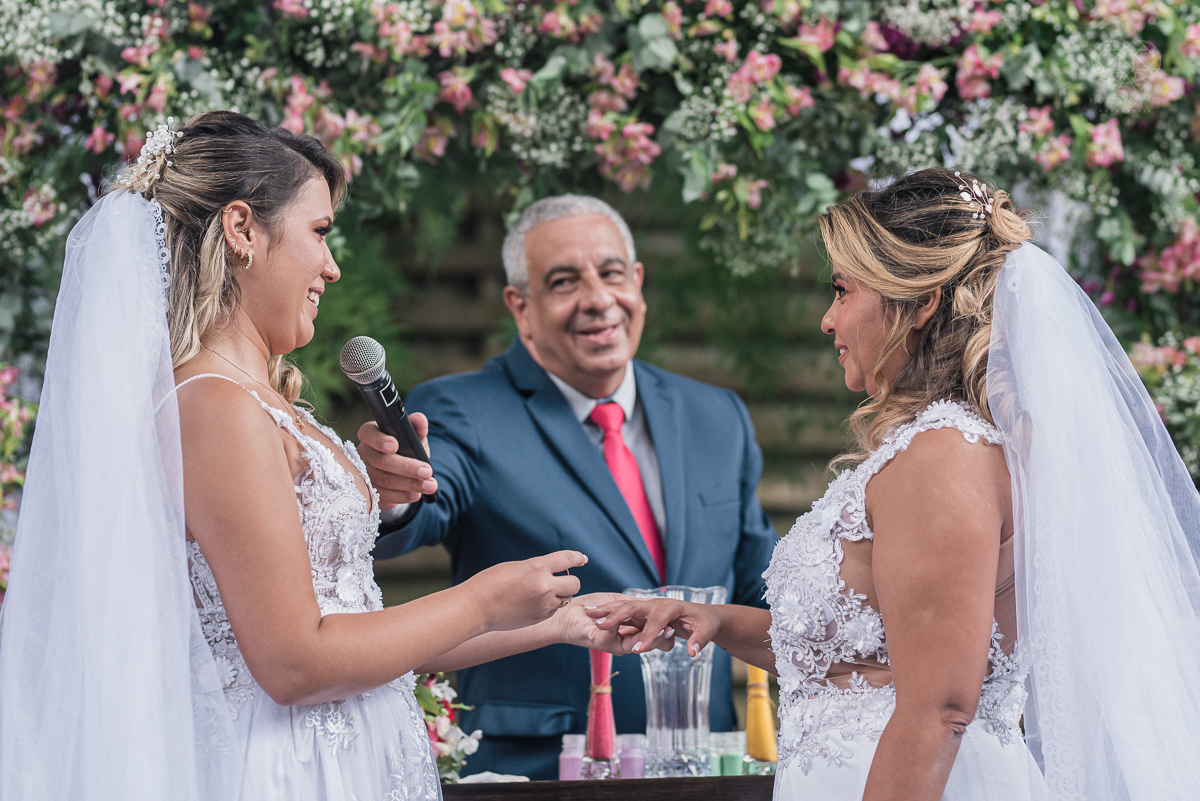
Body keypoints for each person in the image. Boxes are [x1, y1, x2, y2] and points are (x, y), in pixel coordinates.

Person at [0, 112, 627, 800]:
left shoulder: (260, 401)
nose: (331, 265)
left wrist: (548, 622)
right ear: (242, 230)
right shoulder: (214, 404)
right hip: (286, 771)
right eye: (320, 232)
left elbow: (358, 634)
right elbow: (294, 661)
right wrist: (481, 598)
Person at [587, 168, 1200, 800]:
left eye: (843, 291)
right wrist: (710, 618)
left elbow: (939, 710)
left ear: (919, 302)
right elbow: (864, 656)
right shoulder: (946, 448)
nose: (828, 320)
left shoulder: (942, 458)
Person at [357, 194, 778, 779]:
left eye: (610, 274)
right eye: (563, 282)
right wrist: (396, 498)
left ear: (637, 282)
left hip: (705, 771)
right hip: (541, 775)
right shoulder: (464, 409)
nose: (598, 300)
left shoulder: (715, 416)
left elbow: (766, 593)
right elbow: (425, 499)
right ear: (520, 307)